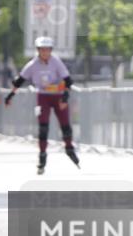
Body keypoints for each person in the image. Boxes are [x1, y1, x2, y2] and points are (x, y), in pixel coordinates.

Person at [4, 36, 79, 174]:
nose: (45, 52)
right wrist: (10, 95)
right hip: (43, 97)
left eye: (47, 50)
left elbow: (68, 80)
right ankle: (42, 156)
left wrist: (65, 95)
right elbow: (19, 81)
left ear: (51, 50)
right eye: (42, 50)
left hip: (58, 97)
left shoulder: (56, 62)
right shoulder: (33, 64)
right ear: (38, 50)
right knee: (43, 128)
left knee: (65, 127)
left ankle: (69, 148)